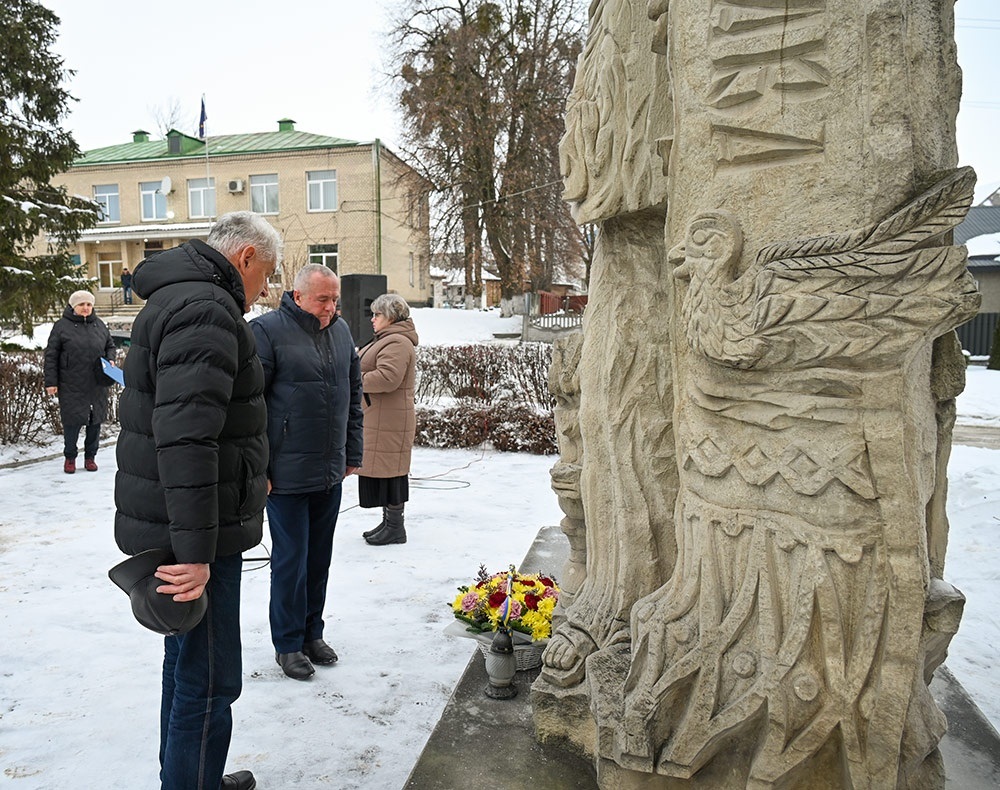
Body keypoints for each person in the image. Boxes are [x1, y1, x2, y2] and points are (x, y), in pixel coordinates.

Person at [114, 211, 281, 790]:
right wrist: (194, 554)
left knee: (186, 663)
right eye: (267, 275)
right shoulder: (206, 309)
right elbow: (187, 438)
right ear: (245, 257)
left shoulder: (181, 297)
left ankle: (187, 778)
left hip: (185, 520)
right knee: (210, 678)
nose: (266, 290)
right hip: (195, 531)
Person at [250, 264, 363, 680]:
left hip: (329, 469)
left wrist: (352, 451)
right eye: (322, 299)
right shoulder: (266, 332)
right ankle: (288, 643)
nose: (331, 307)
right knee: (291, 560)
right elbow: (251, 406)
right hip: (285, 474)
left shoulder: (341, 331)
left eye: (335, 299)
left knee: (319, 559)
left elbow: (353, 394)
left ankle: (313, 633)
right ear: (297, 296)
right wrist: (259, 469)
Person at [357, 294, 419, 546]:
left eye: (377, 314)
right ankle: (388, 523)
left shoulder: (397, 342)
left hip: (389, 420)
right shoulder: (387, 339)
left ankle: (395, 527)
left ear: (391, 317)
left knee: (392, 473)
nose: (372, 319)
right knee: (386, 471)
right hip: (382, 417)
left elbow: (387, 378)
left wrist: (354, 380)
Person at [44, 290, 116, 474]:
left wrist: (110, 358)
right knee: (72, 422)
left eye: (89, 304)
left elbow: (110, 345)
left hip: (96, 383)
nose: (86, 308)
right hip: (71, 383)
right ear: (73, 306)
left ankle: (90, 457)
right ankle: (70, 457)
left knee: (95, 421)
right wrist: (51, 382)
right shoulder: (61, 326)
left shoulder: (99, 325)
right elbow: (51, 356)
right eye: (81, 304)